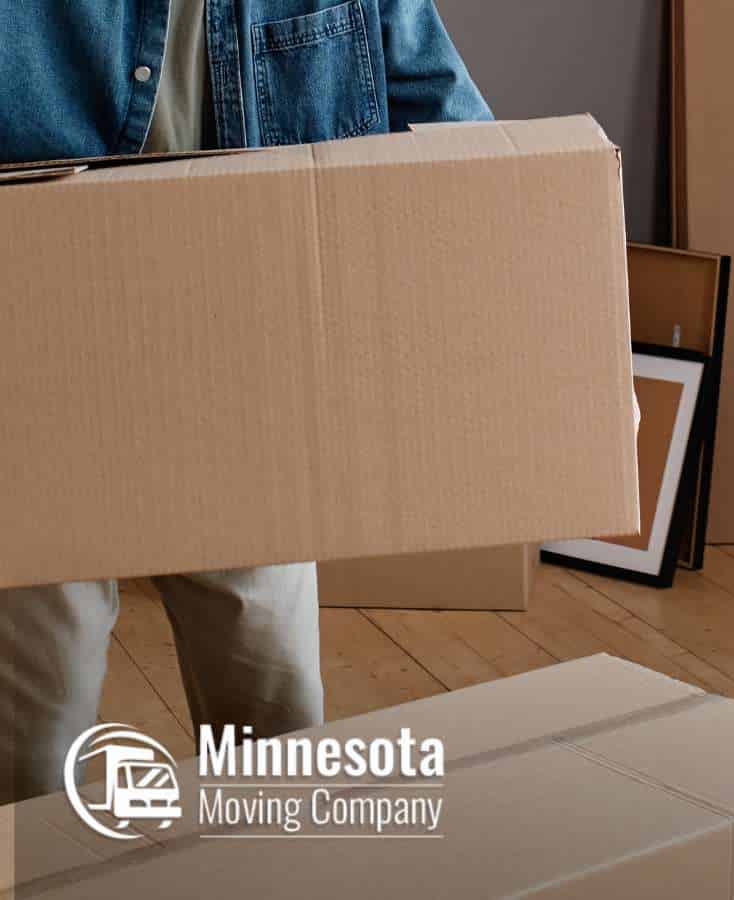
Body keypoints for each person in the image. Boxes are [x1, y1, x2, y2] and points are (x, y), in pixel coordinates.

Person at [0, 0, 491, 805]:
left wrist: (568, 343)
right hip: (40, 371)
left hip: (247, 374)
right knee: (29, 752)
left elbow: (462, 140)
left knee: (276, 729)